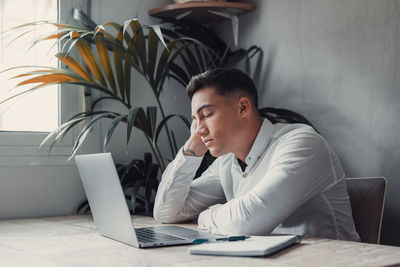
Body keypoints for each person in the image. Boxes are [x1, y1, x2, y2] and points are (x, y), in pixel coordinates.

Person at [153, 68, 360, 241]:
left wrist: (208, 215)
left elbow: (247, 222)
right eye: (195, 120)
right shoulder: (227, 161)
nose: (199, 128)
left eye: (206, 115)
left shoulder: (302, 143)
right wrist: (192, 151)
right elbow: (166, 212)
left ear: (243, 107)